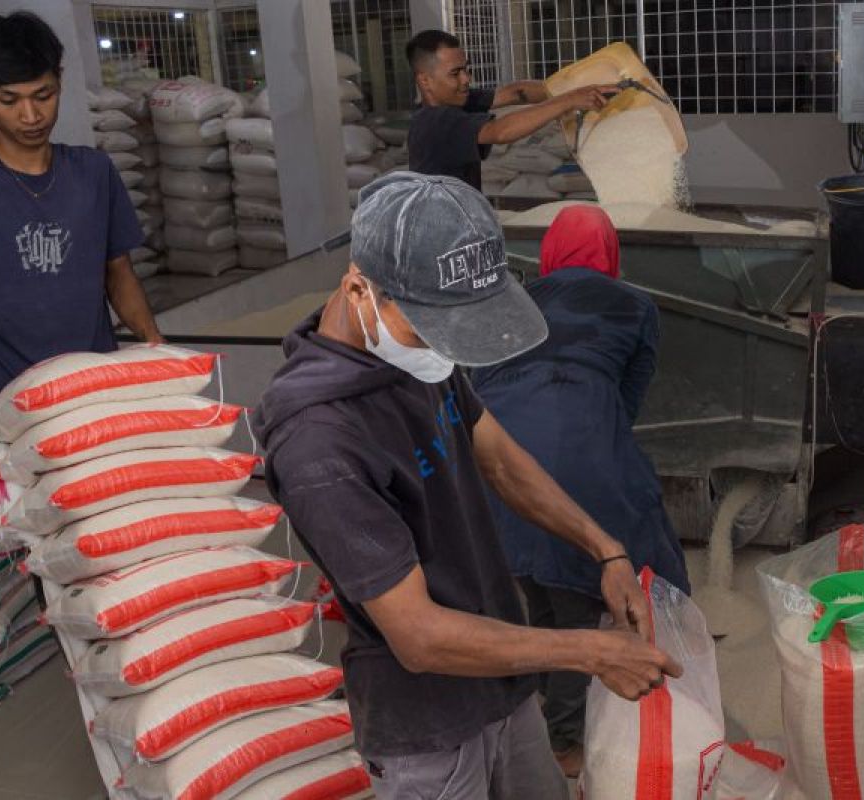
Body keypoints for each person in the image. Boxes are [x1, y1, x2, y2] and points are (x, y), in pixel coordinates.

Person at [255, 172, 680, 799]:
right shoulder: (321, 441)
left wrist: (604, 548)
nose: (446, 349)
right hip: (428, 729)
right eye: (433, 329)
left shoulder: (416, 357)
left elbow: (502, 461)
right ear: (359, 289)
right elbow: (421, 637)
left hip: (503, 683)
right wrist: (590, 652)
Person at [471, 205, 689, 775]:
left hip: (495, 462)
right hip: (581, 459)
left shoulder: (512, 302)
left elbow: (476, 385)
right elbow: (629, 399)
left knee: (534, 583)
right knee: (581, 596)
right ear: (609, 253)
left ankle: (542, 712)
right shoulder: (635, 306)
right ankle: (565, 744)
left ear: (550, 252)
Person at [0, 11, 162, 424]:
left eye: (44, 95)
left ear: (60, 82)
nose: (30, 116)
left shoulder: (93, 172)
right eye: (8, 100)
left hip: (92, 389)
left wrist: (154, 343)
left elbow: (119, 272)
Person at [405, 29, 616, 191]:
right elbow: (500, 131)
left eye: (466, 69)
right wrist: (569, 100)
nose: (466, 79)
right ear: (425, 81)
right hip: (445, 235)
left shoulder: (457, 101)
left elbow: (515, 92)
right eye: (455, 73)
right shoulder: (434, 121)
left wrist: (580, 87)